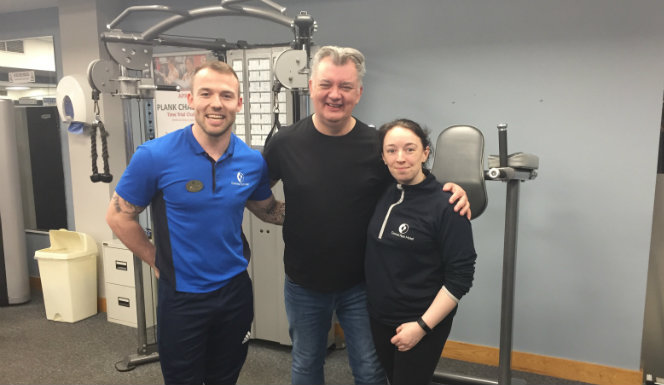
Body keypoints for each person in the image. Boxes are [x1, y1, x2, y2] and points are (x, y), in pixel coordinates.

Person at [263, 46, 470, 385]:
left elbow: (413, 182)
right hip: (304, 281)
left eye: (345, 87)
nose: (335, 94)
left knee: (370, 370)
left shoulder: (376, 145)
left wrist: (451, 190)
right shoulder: (284, 142)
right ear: (312, 86)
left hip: (363, 283)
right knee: (304, 364)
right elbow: (259, 189)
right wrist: (280, 213)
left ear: (358, 93)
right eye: (326, 84)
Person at [105, 60, 285, 384]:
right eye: (206, 93)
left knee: (225, 376)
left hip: (235, 291)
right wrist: (154, 259)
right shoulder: (155, 155)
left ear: (238, 104)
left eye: (227, 95)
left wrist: (327, 210)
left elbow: (268, 209)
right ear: (191, 100)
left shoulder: (251, 160)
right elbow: (119, 216)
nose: (217, 103)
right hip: (182, 297)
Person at [365, 118, 477, 385]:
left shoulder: (448, 204)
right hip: (380, 317)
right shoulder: (383, 192)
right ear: (383, 156)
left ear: (426, 152)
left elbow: (461, 277)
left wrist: (422, 327)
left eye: (410, 148)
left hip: (420, 320)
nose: (400, 158)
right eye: (391, 150)